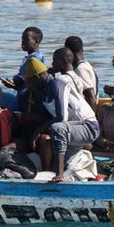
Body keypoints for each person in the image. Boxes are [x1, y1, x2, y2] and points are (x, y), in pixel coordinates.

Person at [42, 47, 100, 178]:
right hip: (76, 126)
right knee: (60, 164)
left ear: (64, 61)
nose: (52, 64)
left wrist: (38, 130)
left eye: (55, 61)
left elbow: (62, 116)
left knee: (57, 127)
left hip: (85, 125)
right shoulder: (74, 77)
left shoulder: (61, 80)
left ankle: (59, 175)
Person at [65, 36, 99, 100]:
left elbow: (91, 98)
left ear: (68, 52)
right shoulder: (86, 64)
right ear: (82, 49)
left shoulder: (80, 69)